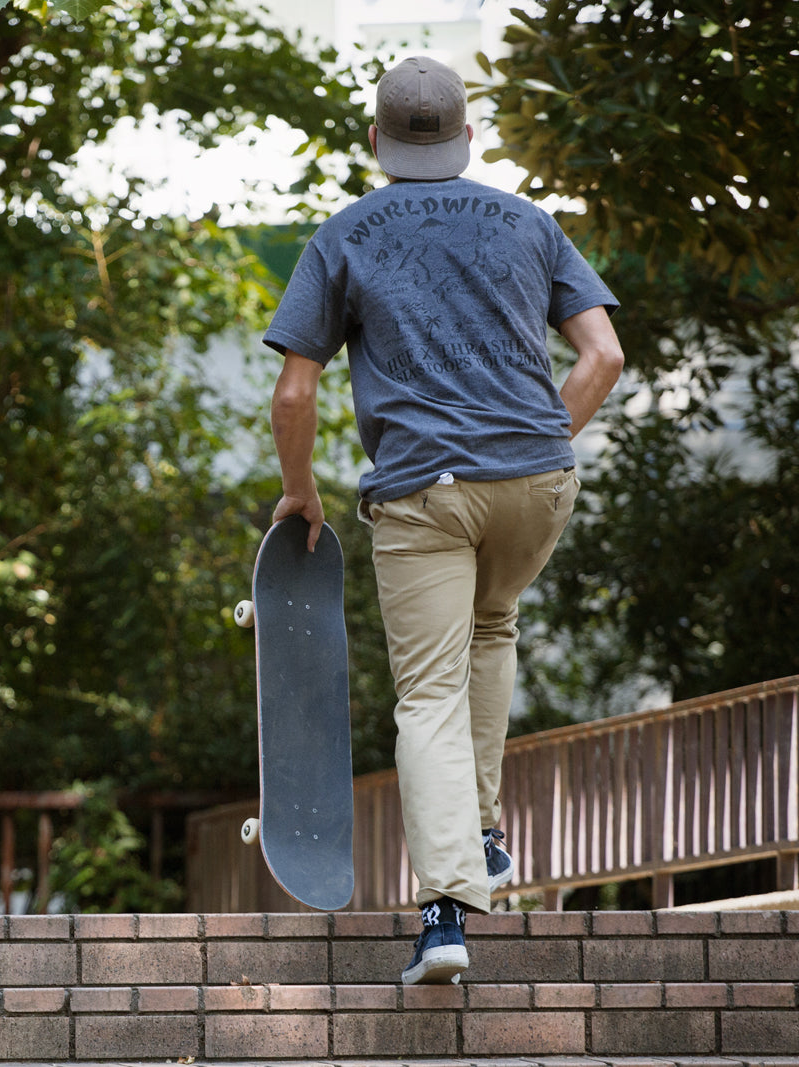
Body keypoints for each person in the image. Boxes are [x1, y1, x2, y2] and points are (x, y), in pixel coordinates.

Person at [261, 56, 625, 984]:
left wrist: (300, 490)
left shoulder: (343, 234)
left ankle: (445, 908)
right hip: (536, 482)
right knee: (492, 628)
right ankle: (487, 834)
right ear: (469, 138)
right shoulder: (530, 222)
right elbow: (603, 355)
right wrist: (541, 438)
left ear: (376, 142)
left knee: (426, 693)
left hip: (425, 490)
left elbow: (295, 390)